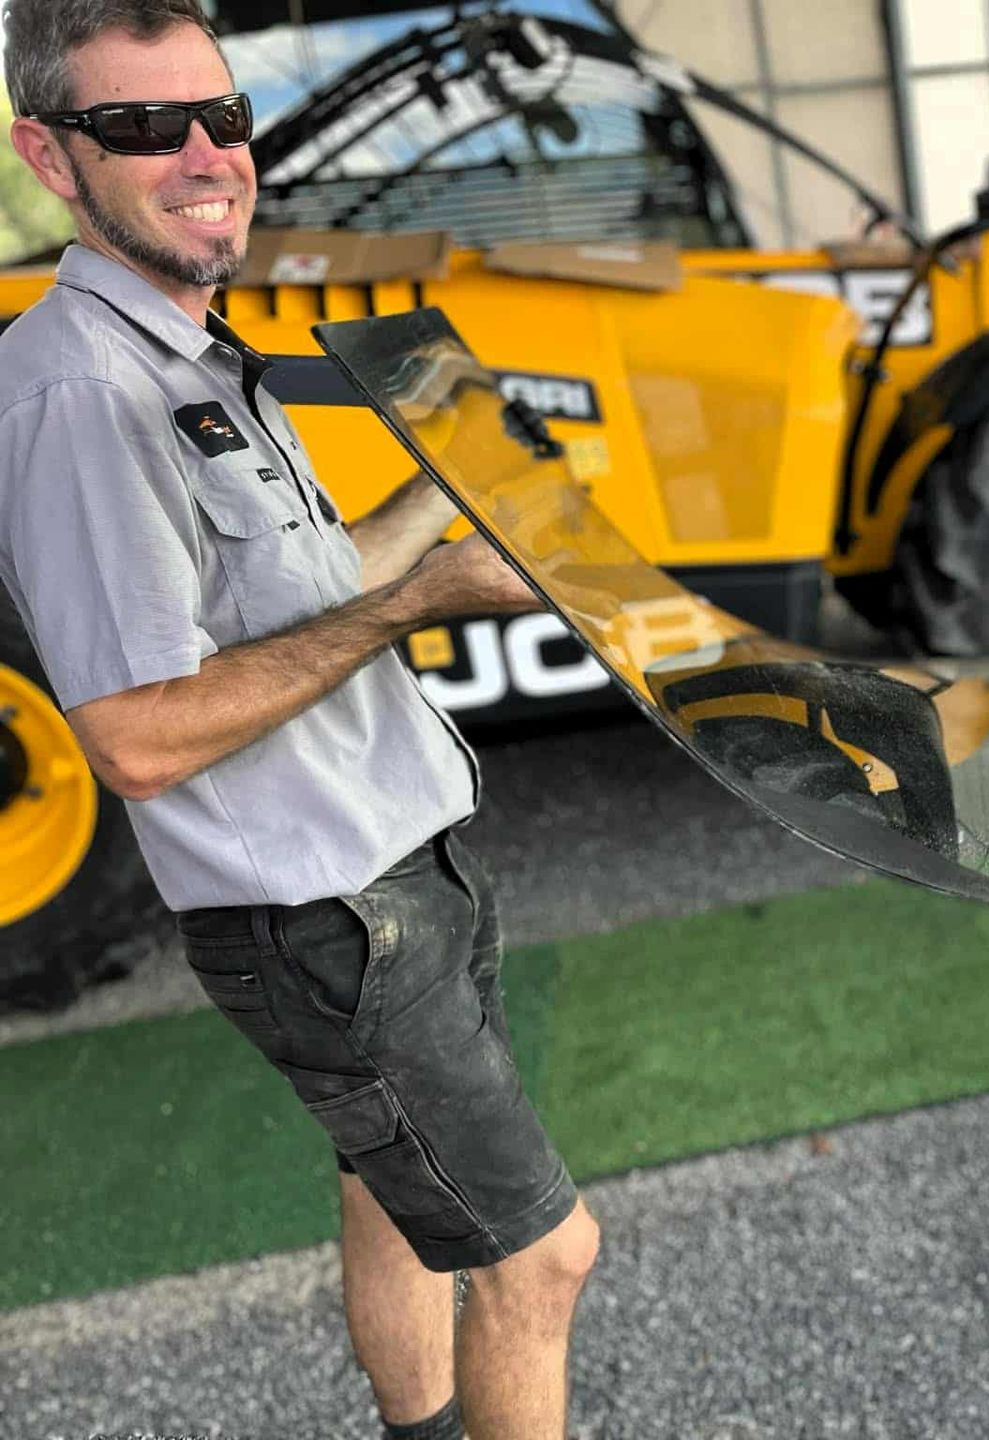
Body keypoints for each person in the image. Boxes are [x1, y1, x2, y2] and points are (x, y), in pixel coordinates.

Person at [0, 2, 600, 1436]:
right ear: (51, 157)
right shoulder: (82, 393)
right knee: (544, 1258)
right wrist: (424, 599)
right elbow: (135, 737)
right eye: (144, 126)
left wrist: (451, 504)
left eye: (224, 119)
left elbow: (296, 599)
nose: (205, 156)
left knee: (394, 1198)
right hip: (327, 914)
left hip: (398, 866)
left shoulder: (193, 349)